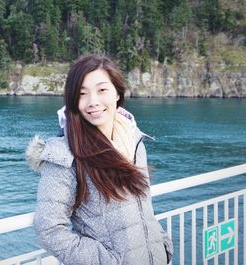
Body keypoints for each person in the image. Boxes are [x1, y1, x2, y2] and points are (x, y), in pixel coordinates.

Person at [26, 54, 173, 265]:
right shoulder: (65, 154)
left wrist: (163, 245)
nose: (93, 102)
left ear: (117, 93)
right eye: (82, 93)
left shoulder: (133, 139)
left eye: (102, 90)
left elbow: (143, 207)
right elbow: (48, 230)